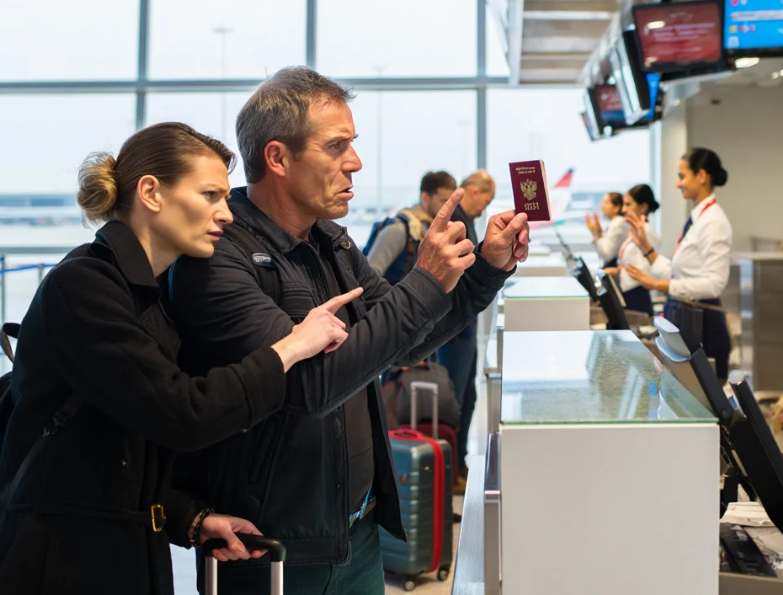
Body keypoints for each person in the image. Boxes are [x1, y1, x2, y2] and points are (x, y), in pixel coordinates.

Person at [164, 67, 529, 595]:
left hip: (356, 532)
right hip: (269, 550)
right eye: (336, 147)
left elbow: (405, 344)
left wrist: (486, 271)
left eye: (352, 144)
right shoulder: (218, 257)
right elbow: (310, 386)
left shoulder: (331, 241)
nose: (354, 162)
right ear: (277, 158)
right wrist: (424, 280)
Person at [0, 123, 355, 595]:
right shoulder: (83, 286)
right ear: (151, 193)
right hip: (62, 561)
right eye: (209, 195)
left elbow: (118, 450)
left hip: (124, 553)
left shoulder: (143, 296)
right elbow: (183, 414)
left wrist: (191, 518)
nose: (225, 213)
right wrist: (291, 346)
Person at [626, 148, 733, 378]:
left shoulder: (714, 222)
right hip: (686, 322)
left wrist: (657, 285)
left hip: (703, 328)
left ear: (701, 176)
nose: (677, 184)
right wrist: (646, 248)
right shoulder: (698, 218)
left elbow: (713, 285)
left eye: (682, 176)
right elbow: (679, 274)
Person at [437, 170, 496, 493]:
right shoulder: (456, 221)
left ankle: (458, 464)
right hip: (454, 327)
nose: (484, 208)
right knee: (455, 399)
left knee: (468, 396)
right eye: (485, 200)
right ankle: (448, 473)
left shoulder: (466, 219)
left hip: (464, 325)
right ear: (473, 191)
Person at [365, 171, 456, 284]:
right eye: (444, 201)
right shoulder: (399, 230)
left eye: (453, 202)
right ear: (425, 198)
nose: (450, 207)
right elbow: (370, 279)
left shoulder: (429, 229)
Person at [602, 184, 660, 316]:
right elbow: (635, 263)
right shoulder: (634, 231)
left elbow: (648, 268)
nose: (623, 209)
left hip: (637, 295)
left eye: (628, 205)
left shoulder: (647, 232)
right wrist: (618, 270)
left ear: (643, 207)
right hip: (628, 293)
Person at [585, 192, 627, 267]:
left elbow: (606, 256)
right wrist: (599, 232)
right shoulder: (615, 223)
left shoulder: (618, 224)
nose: (601, 207)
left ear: (616, 207)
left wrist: (595, 234)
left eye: (606, 203)